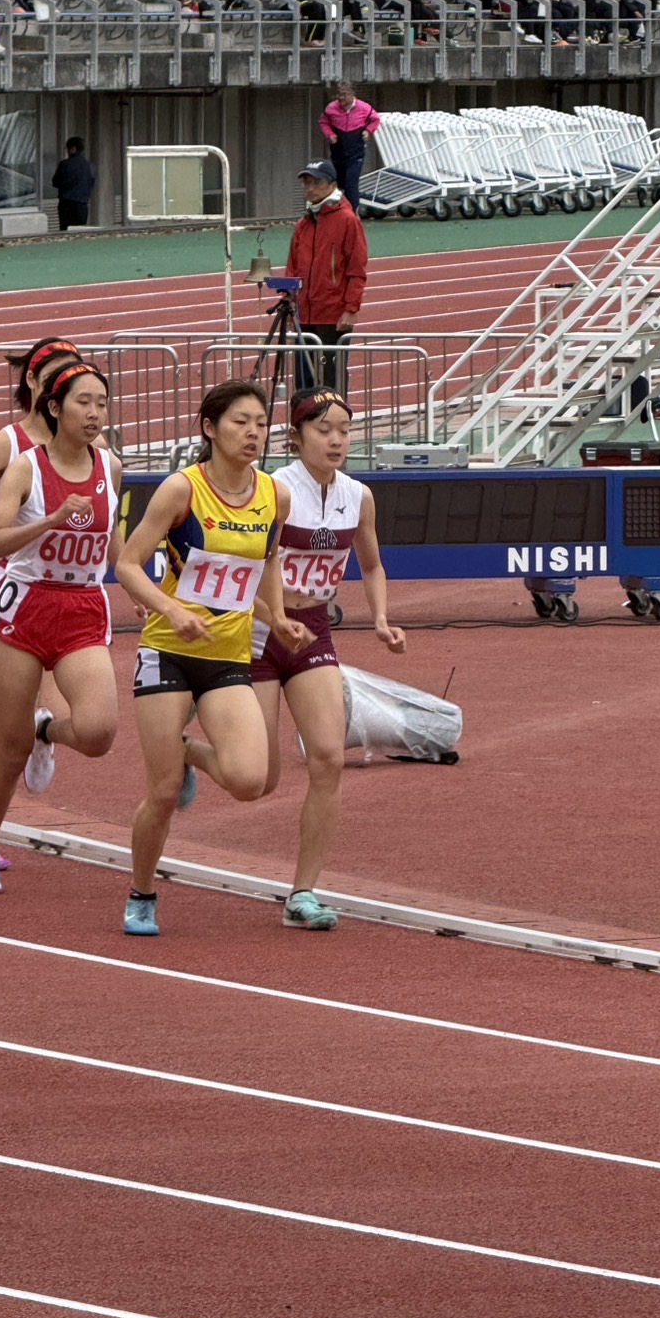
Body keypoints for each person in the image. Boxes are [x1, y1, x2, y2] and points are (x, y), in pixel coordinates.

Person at [113, 379, 309, 937]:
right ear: (209, 428)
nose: (252, 433)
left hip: (228, 653)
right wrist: (170, 611)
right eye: (240, 422)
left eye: (259, 423)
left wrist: (277, 615)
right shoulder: (182, 489)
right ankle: (142, 890)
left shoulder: (276, 494)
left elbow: (265, 561)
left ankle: (189, 750)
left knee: (251, 780)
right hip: (169, 650)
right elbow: (128, 564)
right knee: (162, 793)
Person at [246, 386, 405, 930]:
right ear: (297, 437)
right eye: (323, 429)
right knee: (260, 779)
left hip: (312, 630)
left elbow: (372, 564)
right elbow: (253, 564)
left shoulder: (358, 496)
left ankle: (302, 893)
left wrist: (380, 618)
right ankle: (192, 751)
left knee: (329, 759)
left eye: (344, 429)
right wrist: (273, 616)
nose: (336, 439)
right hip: (261, 630)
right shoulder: (274, 491)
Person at [0, 362, 122, 895]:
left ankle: (47, 732)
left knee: (100, 732)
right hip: (26, 605)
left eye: (102, 402)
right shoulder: (26, 469)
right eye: (84, 401)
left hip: (82, 606)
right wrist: (51, 521)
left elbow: (114, 547)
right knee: (7, 750)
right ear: (55, 409)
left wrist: (152, 597)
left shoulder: (111, 466)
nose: (96, 413)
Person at [0, 336, 82, 871]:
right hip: (2, 597)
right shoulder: (7, 444)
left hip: (61, 597)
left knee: (68, 715)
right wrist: (25, 509)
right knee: (0, 731)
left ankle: (45, 735)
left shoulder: (87, 448)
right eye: (56, 374)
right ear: (35, 384)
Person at [285, 159, 368, 393]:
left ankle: (335, 423)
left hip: (333, 313)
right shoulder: (304, 223)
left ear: (332, 185)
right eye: (306, 183)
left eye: (316, 182)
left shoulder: (347, 220)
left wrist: (351, 308)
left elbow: (356, 269)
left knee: (331, 375)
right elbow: (293, 267)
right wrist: (290, 303)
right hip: (305, 312)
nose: (310, 188)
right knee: (304, 377)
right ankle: (305, 423)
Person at [318, 82, 380, 216]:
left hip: (356, 152)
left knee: (351, 182)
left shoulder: (364, 108)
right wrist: (330, 134)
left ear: (352, 95)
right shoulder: (331, 109)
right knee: (339, 183)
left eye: (344, 95)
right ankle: (336, 211)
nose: (341, 99)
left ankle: (353, 213)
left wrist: (368, 131)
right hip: (338, 151)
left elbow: (375, 119)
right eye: (339, 95)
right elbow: (323, 122)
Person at [51, 135, 95, 230]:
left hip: (66, 204)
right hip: (83, 204)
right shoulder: (89, 166)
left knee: (65, 231)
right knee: (79, 231)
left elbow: (55, 182)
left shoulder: (65, 164)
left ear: (73, 149)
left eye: (67, 149)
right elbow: (91, 183)